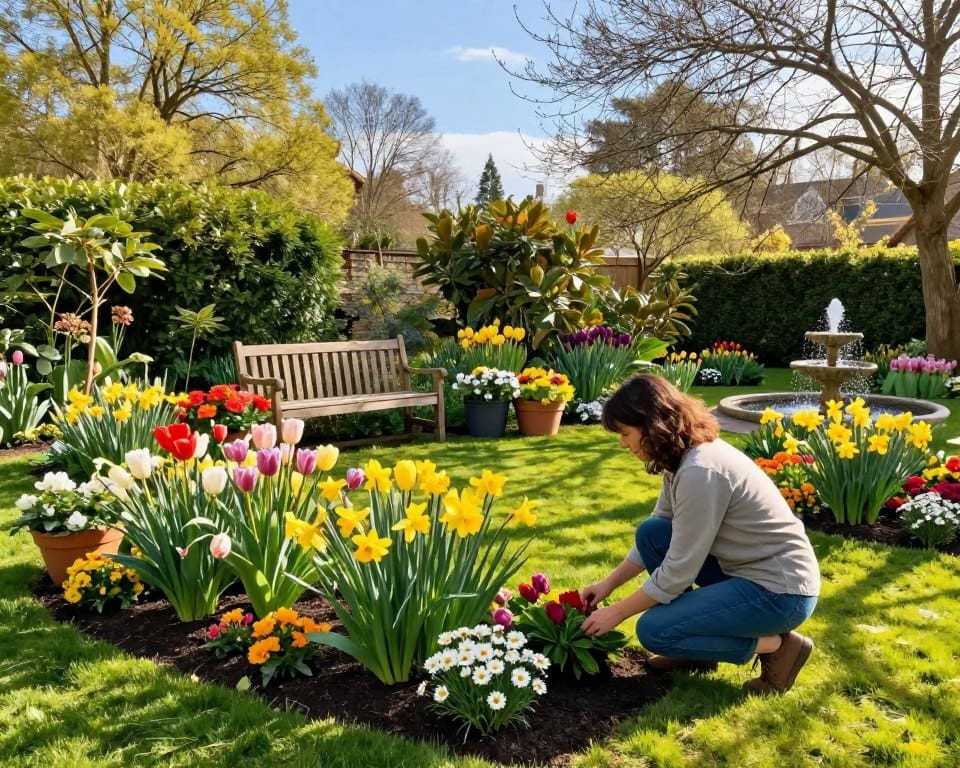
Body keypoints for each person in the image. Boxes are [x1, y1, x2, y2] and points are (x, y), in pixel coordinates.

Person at [580, 373, 820, 694]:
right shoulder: (679, 459)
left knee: (653, 631)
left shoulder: (700, 471)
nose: (622, 443)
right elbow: (661, 529)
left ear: (653, 424)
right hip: (745, 573)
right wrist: (607, 585)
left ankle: (777, 647)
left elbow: (679, 569)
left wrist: (618, 612)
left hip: (780, 592)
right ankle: (695, 650)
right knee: (653, 533)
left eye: (626, 433)